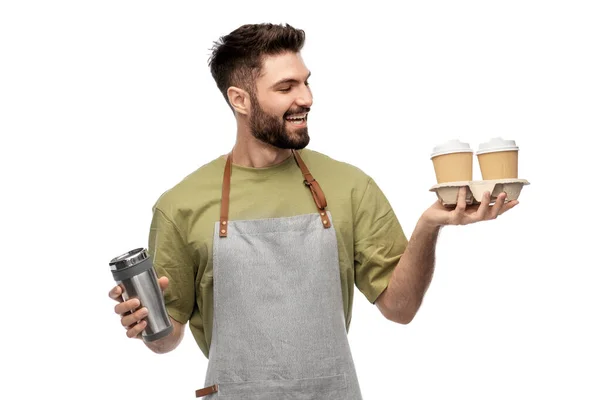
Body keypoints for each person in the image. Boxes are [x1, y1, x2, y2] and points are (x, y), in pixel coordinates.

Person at [108, 23, 518, 398]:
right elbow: (167, 339)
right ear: (240, 99)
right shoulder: (181, 205)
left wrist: (430, 225)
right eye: (286, 87)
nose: (306, 97)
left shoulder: (349, 186)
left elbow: (400, 309)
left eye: (305, 83)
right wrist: (145, 325)